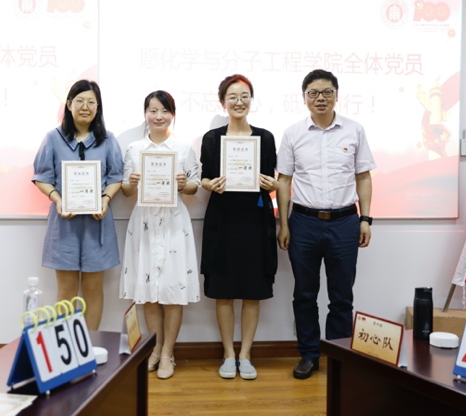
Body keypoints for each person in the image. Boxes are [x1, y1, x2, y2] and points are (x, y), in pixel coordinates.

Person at [276, 68, 376, 380]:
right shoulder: (293, 133)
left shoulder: (354, 130)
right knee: (304, 295)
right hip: (303, 222)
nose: (320, 98)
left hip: (345, 222)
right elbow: (283, 180)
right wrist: (283, 224)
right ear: (304, 97)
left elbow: (363, 176)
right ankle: (309, 354)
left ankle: (338, 356)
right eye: (314, 93)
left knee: (341, 296)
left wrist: (366, 219)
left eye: (327, 92)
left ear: (336, 95)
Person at [200, 74, 278, 381]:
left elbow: (271, 180)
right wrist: (209, 184)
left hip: (255, 221)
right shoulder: (211, 139)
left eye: (244, 96)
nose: (239, 102)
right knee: (223, 291)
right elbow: (205, 177)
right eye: (232, 96)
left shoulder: (265, 138)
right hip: (222, 221)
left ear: (251, 100)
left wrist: (272, 185)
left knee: (252, 291)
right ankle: (228, 353)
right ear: (223, 102)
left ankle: (245, 354)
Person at [119, 90, 201, 380]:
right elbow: (125, 190)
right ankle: (154, 349)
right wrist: (130, 183)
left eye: (164, 111)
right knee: (148, 292)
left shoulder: (183, 149)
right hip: (144, 222)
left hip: (174, 223)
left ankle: (168, 353)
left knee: (172, 291)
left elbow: (194, 186)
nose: (158, 116)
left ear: (172, 115)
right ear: (145, 114)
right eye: (153, 110)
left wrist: (183, 184)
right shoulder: (134, 149)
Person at [32, 79, 124, 330]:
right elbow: (42, 177)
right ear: (69, 104)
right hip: (64, 223)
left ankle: (91, 344)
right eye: (80, 101)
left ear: (98, 107)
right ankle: (66, 348)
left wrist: (105, 199)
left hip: (97, 222)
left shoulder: (108, 140)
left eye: (91, 102)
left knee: (93, 289)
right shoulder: (53, 138)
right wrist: (58, 199)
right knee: (66, 289)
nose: (85, 107)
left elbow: (116, 177)